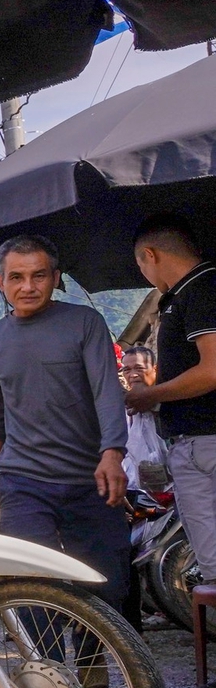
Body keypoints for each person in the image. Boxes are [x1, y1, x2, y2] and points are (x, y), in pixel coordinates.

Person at [0, 235, 130, 612]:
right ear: (1, 282)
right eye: (16, 277)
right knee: (31, 586)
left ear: (55, 278)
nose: (27, 287)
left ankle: (91, 667)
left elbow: (106, 392)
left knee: (106, 587)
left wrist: (112, 454)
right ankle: (41, 669)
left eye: (38, 276)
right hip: (23, 481)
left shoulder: (84, 323)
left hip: (89, 478)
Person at [126, 219, 216, 607]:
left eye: (141, 266)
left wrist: (151, 396)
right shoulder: (183, 295)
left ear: (150, 255)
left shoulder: (203, 287)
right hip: (191, 441)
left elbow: (211, 369)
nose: (145, 275)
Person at [118, 345, 167, 492]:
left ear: (155, 369)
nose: (132, 375)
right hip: (137, 489)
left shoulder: (170, 402)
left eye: (139, 368)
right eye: (127, 370)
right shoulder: (125, 408)